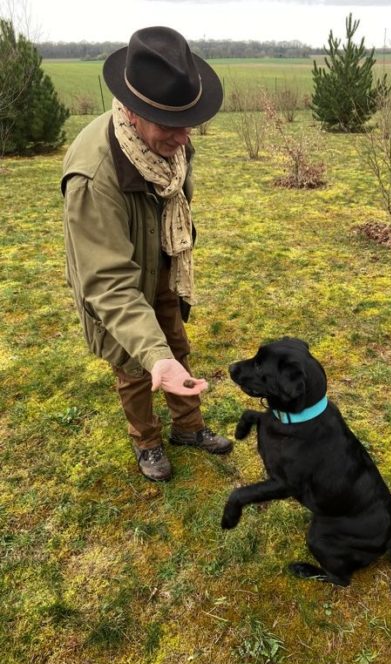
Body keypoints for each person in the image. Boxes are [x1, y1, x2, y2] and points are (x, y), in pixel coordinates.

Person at [62, 26, 232, 483]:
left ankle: (188, 427)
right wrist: (154, 356)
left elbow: (178, 196)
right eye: (169, 124)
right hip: (118, 281)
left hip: (161, 264)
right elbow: (108, 283)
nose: (183, 137)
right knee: (137, 363)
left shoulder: (170, 144)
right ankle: (146, 440)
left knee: (175, 345)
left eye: (188, 121)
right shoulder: (93, 176)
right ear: (133, 112)